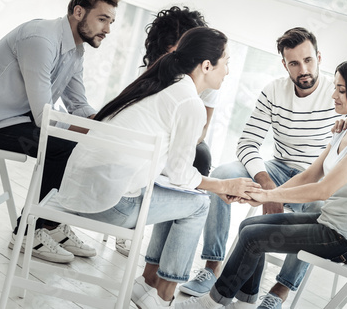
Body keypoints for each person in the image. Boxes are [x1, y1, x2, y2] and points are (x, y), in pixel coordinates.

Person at [55, 26, 261, 309]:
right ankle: (162, 295)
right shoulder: (189, 102)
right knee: (198, 204)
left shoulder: (162, 84)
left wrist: (214, 185)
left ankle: (148, 282)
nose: (227, 71)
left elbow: (174, 175)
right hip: (107, 204)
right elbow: (179, 174)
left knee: (181, 196)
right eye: (226, 62)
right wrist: (222, 186)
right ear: (206, 65)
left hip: (77, 192)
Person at [177, 56, 347, 309]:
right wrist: (262, 195)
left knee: (253, 237)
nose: (334, 96)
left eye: (342, 90)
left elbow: (323, 189)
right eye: (335, 88)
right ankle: (245, 301)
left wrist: (268, 197)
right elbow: (309, 175)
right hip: (329, 223)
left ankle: (212, 302)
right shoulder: (346, 130)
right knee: (249, 226)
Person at [180, 27, 346, 300]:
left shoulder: (336, 94)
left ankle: (279, 292)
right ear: (284, 64)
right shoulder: (274, 91)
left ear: (318, 57)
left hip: (315, 176)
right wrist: (267, 184)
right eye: (294, 63)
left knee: (321, 208)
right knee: (222, 174)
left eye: (308, 60)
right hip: (277, 168)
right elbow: (247, 143)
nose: (302, 69)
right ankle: (212, 266)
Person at [0, 0, 122, 263]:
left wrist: (106, 125)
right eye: (102, 19)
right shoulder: (41, 40)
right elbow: (44, 117)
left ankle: (50, 223)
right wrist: (86, 133)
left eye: (111, 21)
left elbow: (78, 105)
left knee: (77, 142)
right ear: (78, 12)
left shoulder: (76, 50)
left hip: (17, 118)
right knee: (64, 146)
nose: (108, 29)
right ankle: (29, 230)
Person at [115, 5, 214, 256]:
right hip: (145, 139)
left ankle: (161, 247)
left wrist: (178, 139)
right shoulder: (154, 68)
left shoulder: (208, 76)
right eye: (173, 51)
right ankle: (130, 216)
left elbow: (200, 130)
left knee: (200, 156)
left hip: (178, 136)